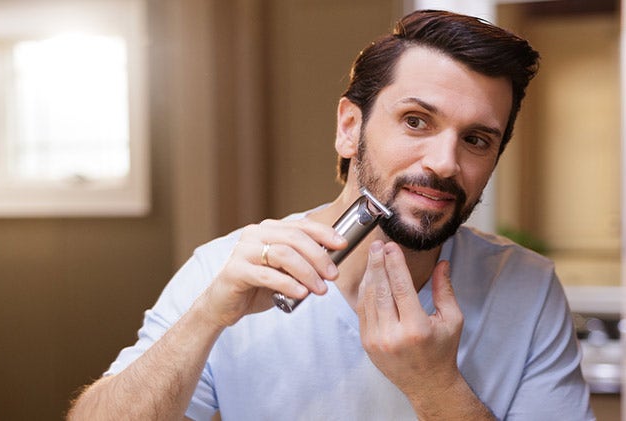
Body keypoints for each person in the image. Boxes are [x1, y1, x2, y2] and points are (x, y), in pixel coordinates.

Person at [69, 9, 594, 420]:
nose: (444, 162)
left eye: (477, 139)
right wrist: (206, 319)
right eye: (415, 121)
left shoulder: (526, 287)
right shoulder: (225, 272)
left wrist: (436, 388)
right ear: (349, 127)